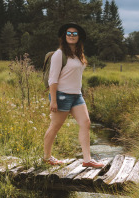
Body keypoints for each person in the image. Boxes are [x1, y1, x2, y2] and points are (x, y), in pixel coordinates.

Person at [43, 23, 103, 168]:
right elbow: (53, 79)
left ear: (79, 37)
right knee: (55, 126)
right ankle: (47, 157)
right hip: (62, 95)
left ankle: (87, 160)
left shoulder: (78, 54)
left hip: (77, 95)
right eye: (68, 33)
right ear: (64, 36)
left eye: (74, 33)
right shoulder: (59, 54)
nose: (71, 35)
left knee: (86, 123)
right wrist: (54, 100)